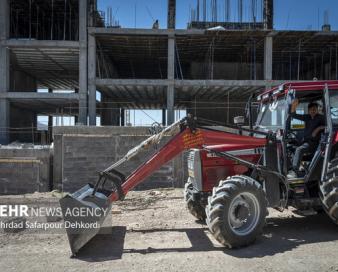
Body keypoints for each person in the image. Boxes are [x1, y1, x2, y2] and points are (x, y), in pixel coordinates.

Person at [288, 99, 325, 178]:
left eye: (314, 109)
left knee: (299, 149)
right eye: (311, 110)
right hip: (306, 142)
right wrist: (294, 105)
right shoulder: (307, 117)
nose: (313, 111)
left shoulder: (321, 118)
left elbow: (328, 126)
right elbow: (294, 115)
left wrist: (317, 129)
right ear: (308, 110)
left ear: (317, 110)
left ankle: (294, 171)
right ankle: (294, 169)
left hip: (315, 143)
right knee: (290, 148)